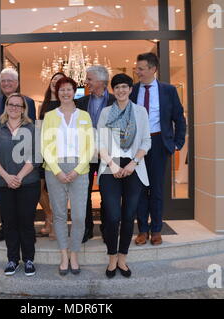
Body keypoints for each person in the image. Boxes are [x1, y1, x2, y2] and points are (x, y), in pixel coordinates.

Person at [97, 73, 151, 278]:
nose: (121, 90)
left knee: (129, 216)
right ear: (113, 90)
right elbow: (100, 142)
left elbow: (146, 141)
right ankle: (111, 258)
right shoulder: (105, 112)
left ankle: (122, 259)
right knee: (112, 216)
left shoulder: (140, 112)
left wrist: (133, 163)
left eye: (124, 87)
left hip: (134, 166)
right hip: (110, 166)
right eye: (117, 87)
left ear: (130, 89)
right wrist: (111, 164)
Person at [129, 53, 186, 246]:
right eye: (137, 68)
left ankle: (156, 230)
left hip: (159, 144)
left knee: (157, 190)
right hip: (137, 147)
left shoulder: (168, 90)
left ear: (153, 69)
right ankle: (142, 230)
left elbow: (179, 118)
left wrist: (177, 144)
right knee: (139, 189)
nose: (138, 72)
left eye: (141, 69)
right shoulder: (132, 90)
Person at [41, 77, 94, 276]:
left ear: (74, 91)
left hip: (79, 170)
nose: (65, 93)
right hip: (55, 169)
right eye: (61, 89)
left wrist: (77, 169)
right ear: (57, 92)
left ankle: (74, 253)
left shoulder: (85, 116)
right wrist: (57, 170)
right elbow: (45, 147)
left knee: (80, 216)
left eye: (69, 89)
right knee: (60, 215)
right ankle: (64, 255)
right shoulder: (49, 116)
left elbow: (90, 147)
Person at [0, 93, 40, 277]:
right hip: (3, 184)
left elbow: (36, 156)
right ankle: (12, 260)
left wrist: (19, 177)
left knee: (26, 222)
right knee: (9, 223)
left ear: (24, 109)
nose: (14, 107)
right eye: (11, 104)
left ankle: (29, 260)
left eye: (19, 105)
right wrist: (7, 177)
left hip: (28, 184)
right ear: (6, 106)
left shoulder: (32, 129)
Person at [0, 68, 37, 242]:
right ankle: (5, 226)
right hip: (1, 160)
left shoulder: (28, 102)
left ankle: (27, 232)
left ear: (17, 83)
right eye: (3, 80)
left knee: (25, 204)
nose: (6, 83)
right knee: (5, 200)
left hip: (24, 161)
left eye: (10, 80)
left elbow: (31, 129)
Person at [76, 65, 116, 244]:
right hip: (86, 153)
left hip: (108, 154)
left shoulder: (116, 101)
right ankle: (87, 229)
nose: (86, 82)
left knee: (107, 192)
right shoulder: (81, 103)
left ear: (101, 81)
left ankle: (107, 229)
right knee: (84, 192)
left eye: (89, 79)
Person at [37, 72, 66, 240]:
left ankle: (57, 222)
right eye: (53, 80)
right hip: (44, 151)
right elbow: (39, 128)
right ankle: (49, 215)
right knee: (39, 189)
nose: (56, 82)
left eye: (59, 80)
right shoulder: (44, 104)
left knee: (58, 190)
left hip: (62, 153)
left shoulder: (69, 103)